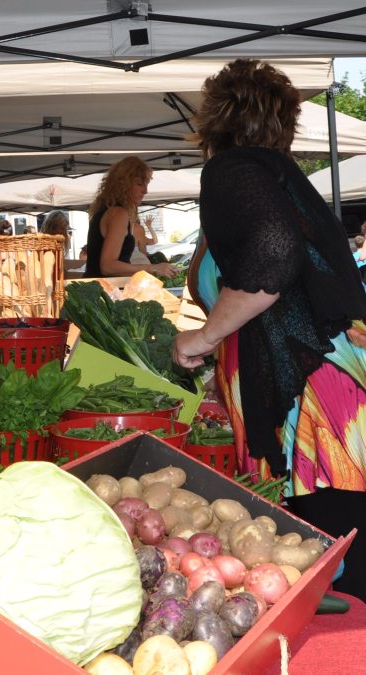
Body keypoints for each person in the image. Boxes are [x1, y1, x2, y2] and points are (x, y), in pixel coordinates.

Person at [172, 59, 366, 599]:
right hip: (327, 387)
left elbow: (274, 258)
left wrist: (203, 337)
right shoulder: (278, 176)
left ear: (216, 117)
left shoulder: (233, 171)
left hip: (312, 401)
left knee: (338, 567)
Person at [83, 156, 177, 278]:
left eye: (146, 184)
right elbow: (108, 266)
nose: (145, 191)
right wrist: (153, 268)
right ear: (123, 184)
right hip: (106, 290)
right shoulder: (118, 213)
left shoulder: (106, 210)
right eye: (139, 184)